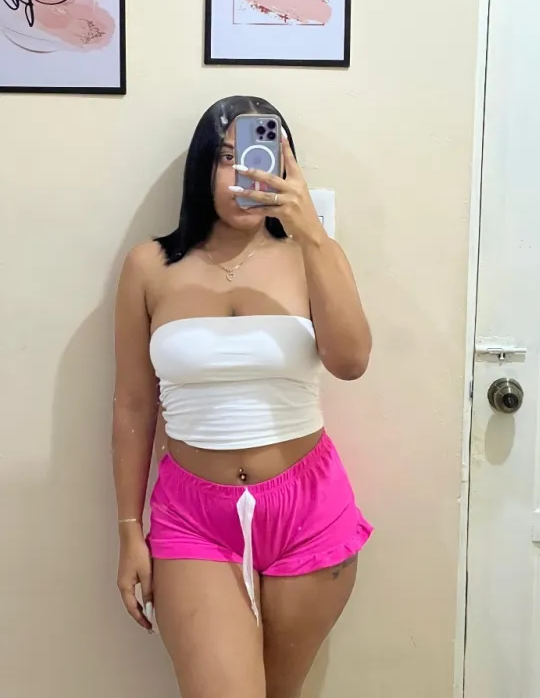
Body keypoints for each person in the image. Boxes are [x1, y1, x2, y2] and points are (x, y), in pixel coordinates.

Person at [112, 95, 373, 698]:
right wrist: (128, 529)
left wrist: (312, 234)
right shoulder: (149, 266)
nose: (246, 173)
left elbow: (352, 362)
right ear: (202, 168)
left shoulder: (312, 256)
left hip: (308, 508)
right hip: (192, 515)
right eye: (228, 158)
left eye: (262, 156)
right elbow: (132, 405)